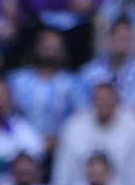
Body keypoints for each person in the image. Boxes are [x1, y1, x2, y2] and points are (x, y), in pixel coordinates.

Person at [53, 82, 135, 185]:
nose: (103, 103)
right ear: (91, 101)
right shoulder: (73, 126)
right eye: (99, 99)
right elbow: (64, 171)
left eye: (107, 99)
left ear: (118, 101)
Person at [8, 27, 84, 155]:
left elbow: (81, 119)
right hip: (17, 147)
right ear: (35, 48)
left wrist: (58, 140)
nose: (50, 52)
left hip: (60, 149)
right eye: (46, 46)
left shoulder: (75, 84)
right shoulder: (16, 80)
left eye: (55, 47)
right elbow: (7, 115)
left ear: (63, 51)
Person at [79, 16, 135, 117]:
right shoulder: (89, 73)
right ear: (109, 40)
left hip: (129, 126)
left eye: (126, 38)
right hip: (96, 125)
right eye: (118, 37)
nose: (122, 43)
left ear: (133, 42)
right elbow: (81, 108)